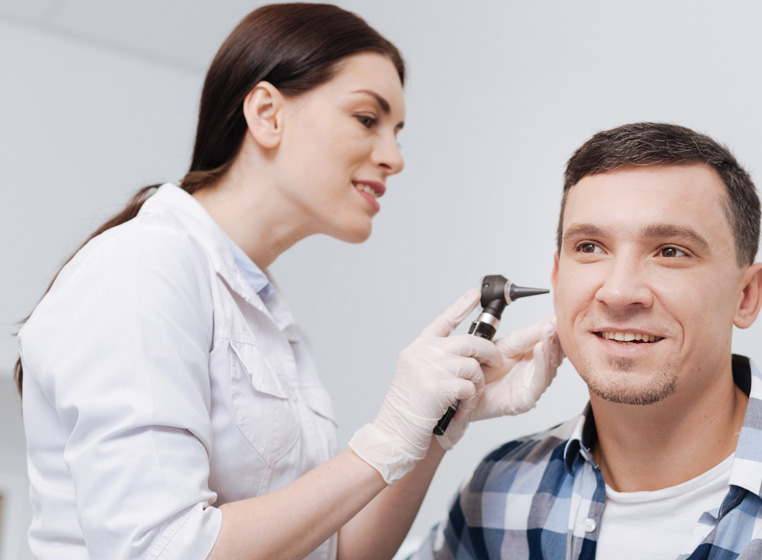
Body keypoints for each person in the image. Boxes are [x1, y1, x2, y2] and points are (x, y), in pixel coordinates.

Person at [14, 4, 562, 559]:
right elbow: (163, 549)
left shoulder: (273, 322)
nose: (394, 158)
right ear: (267, 113)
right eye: (367, 120)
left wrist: (433, 429)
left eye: (396, 132)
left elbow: (337, 551)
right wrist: (384, 441)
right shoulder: (142, 267)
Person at [415, 122, 762, 559]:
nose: (620, 291)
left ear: (747, 296)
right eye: (590, 247)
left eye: (671, 251)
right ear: (557, 282)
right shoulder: (501, 495)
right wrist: (422, 435)